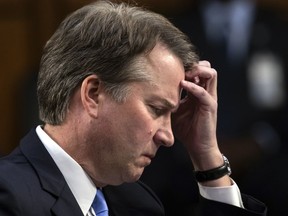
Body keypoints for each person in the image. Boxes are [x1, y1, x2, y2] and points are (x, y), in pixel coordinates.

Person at [0, 1, 266, 215]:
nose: (169, 137)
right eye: (156, 108)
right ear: (93, 94)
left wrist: (207, 157)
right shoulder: (9, 197)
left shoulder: (138, 202)